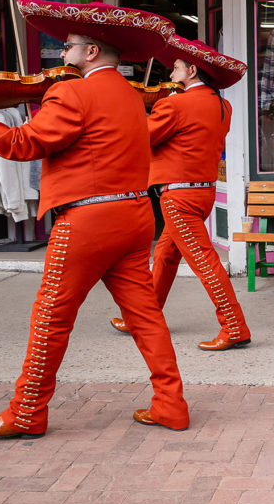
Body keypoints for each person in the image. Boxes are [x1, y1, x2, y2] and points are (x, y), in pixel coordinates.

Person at [0, 0, 190, 436]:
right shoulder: (134, 96)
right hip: (135, 215)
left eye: (69, 45)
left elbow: (22, 144)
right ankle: (170, 404)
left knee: (51, 318)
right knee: (146, 316)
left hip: (88, 221)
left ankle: (26, 412)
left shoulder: (72, 90)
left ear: (92, 51)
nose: (62, 54)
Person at [108, 35, 252, 351]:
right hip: (204, 193)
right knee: (165, 254)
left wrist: (127, 111)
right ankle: (142, 318)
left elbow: (140, 138)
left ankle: (234, 326)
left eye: (175, 67)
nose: (171, 73)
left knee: (204, 262)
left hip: (178, 196)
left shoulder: (174, 103)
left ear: (191, 71)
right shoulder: (222, 105)